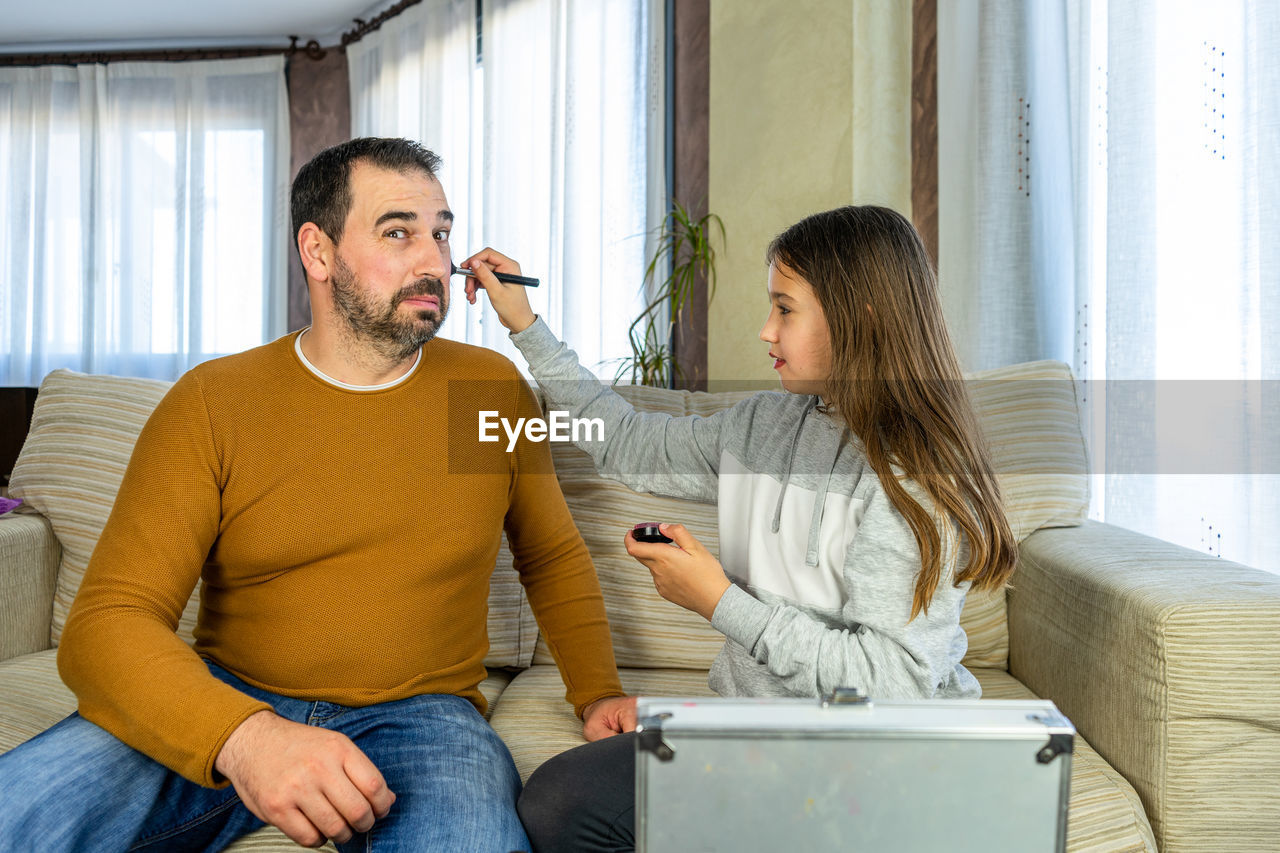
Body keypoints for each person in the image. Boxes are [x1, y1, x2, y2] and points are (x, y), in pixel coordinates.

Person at [0, 137, 636, 853]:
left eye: (442, 233)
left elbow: (549, 555)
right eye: (399, 232)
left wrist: (599, 690)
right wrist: (247, 737)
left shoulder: (481, 392)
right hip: (226, 693)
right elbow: (107, 623)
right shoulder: (215, 400)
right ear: (319, 250)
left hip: (424, 720)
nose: (435, 261)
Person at [461, 204, 1019, 852]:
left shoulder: (914, 476)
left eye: (785, 308)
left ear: (858, 317)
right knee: (559, 802)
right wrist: (525, 325)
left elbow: (889, 679)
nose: (765, 330)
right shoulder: (763, 426)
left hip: (874, 752)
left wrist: (719, 600)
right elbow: (625, 441)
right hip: (760, 733)